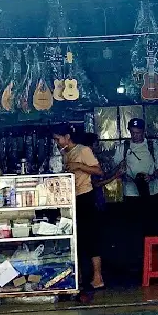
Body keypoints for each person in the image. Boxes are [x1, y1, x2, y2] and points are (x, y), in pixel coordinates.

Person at [53, 123, 104, 292]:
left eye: (58, 139)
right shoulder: (63, 153)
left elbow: (99, 171)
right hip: (70, 200)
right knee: (77, 239)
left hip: (86, 198)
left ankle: (98, 278)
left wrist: (80, 166)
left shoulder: (83, 150)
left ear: (67, 137)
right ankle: (79, 277)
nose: (56, 142)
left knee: (92, 239)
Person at [112, 118, 158, 235]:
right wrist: (122, 173)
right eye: (132, 132)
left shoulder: (152, 145)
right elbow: (114, 167)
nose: (135, 135)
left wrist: (152, 176)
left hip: (153, 191)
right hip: (131, 192)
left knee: (152, 222)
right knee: (135, 224)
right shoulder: (124, 147)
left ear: (143, 131)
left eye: (138, 133)